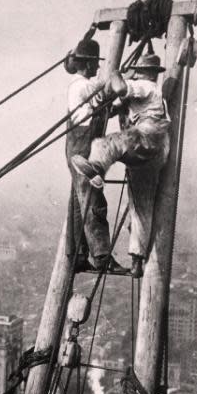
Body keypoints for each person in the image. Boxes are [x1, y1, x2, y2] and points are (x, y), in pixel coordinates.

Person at [71, 52, 181, 278]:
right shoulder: (152, 94)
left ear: (144, 72)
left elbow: (121, 88)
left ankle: (97, 168)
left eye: (138, 71)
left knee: (107, 143)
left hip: (146, 137)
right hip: (155, 152)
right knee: (141, 206)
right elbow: (114, 107)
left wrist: (116, 73)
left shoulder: (145, 86)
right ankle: (137, 261)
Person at [64, 37, 123, 273]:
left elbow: (103, 109)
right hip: (85, 150)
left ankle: (77, 255)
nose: (97, 67)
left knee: (78, 203)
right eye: (95, 64)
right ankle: (101, 256)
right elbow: (108, 92)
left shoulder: (76, 87)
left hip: (75, 147)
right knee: (93, 200)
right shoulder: (85, 86)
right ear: (87, 65)